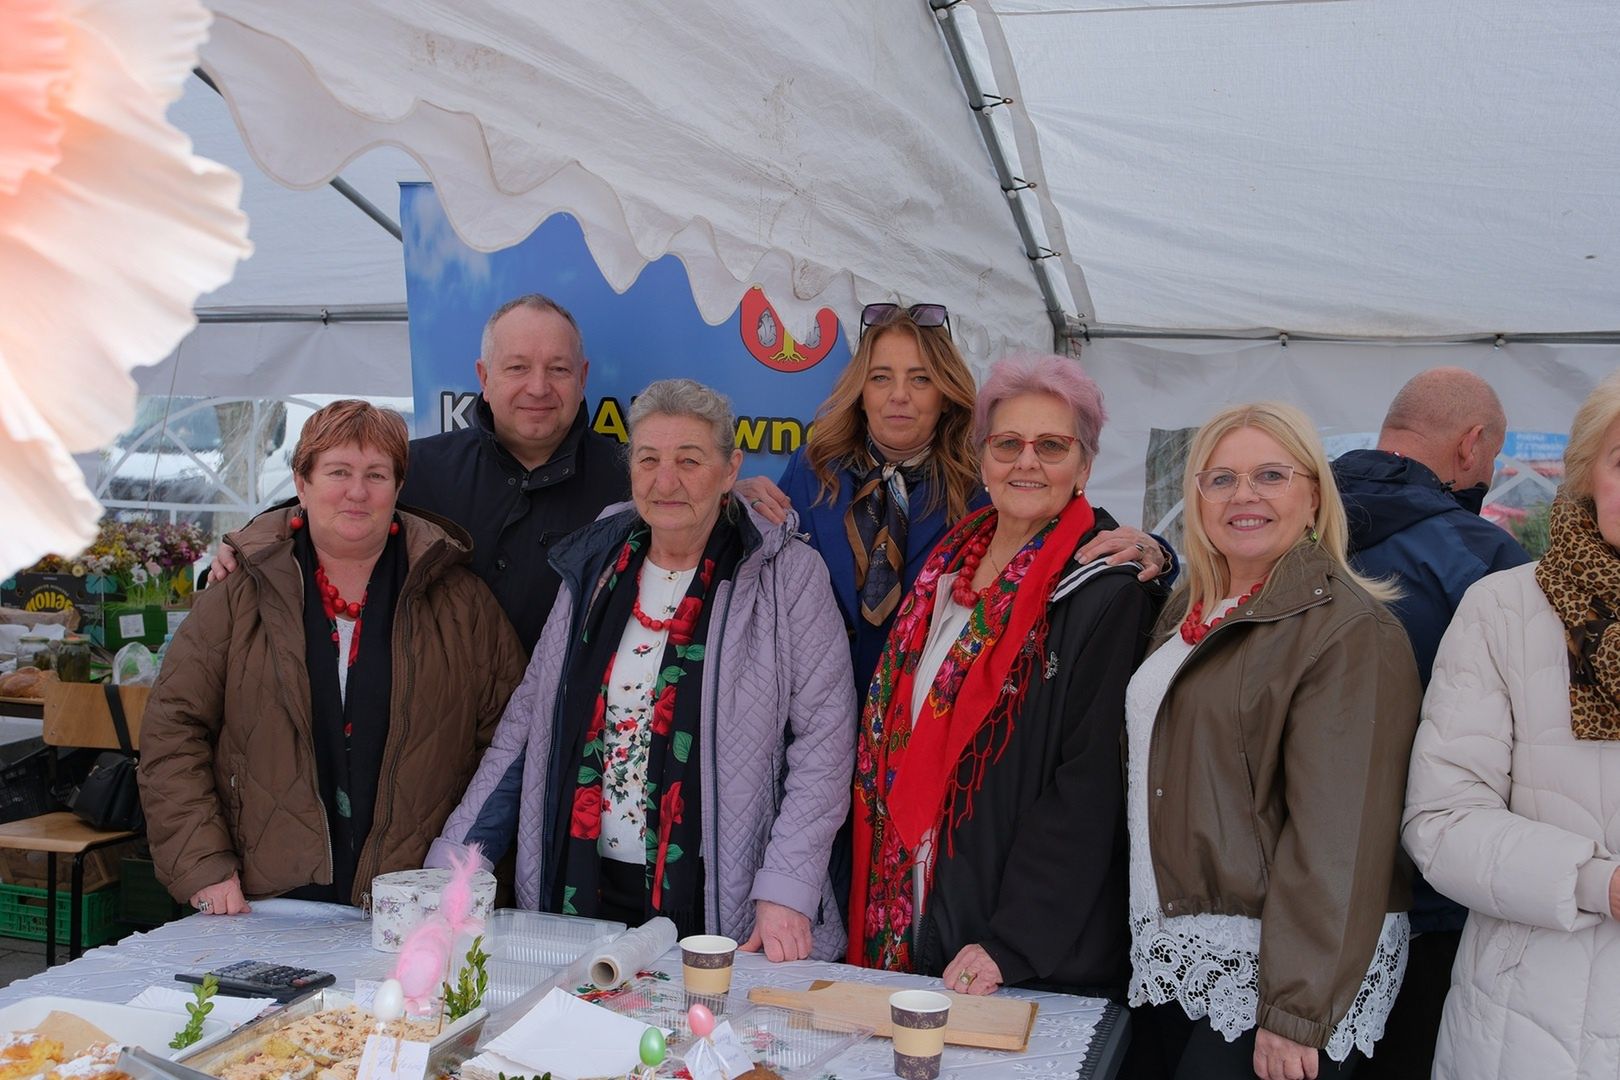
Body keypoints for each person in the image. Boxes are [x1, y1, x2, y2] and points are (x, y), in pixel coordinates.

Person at [432, 379, 854, 960]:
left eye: (690, 460)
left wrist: (787, 887)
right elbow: (526, 728)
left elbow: (825, 746)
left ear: (731, 470)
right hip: (581, 890)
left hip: (722, 904)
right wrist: (454, 864)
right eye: (649, 459)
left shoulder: (788, 576)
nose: (666, 481)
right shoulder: (595, 569)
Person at [847, 352, 1161, 997]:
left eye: (1051, 445)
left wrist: (1011, 940)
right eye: (1008, 443)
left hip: (1009, 944)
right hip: (910, 904)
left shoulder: (1107, 590)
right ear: (982, 456)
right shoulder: (944, 564)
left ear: (1085, 465)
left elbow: (1088, 785)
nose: (1026, 462)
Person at [1125, 401, 1421, 1080]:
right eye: (1220, 478)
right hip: (1183, 953)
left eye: (1270, 475)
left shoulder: (1349, 632)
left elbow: (1339, 840)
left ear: (1314, 495)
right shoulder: (1187, 609)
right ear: (1195, 497)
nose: (1244, 496)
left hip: (1278, 978)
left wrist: (1294, 1012)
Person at [139, 401, 527, 913]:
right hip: (263, 899)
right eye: (338, 471)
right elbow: (172, 730)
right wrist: (205, 866)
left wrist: (462, 876)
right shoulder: (238, 594)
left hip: (416, 902)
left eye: (376, 474)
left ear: (398, 487)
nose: (357, 491)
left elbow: (508, 745)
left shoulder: (463, 602)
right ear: (302, 483)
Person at [737, 302, 1173, 696]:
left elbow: (1066, 526)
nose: (899, 395)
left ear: (945, 395)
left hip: (921, 721)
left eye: (921, 378)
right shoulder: (813, 471)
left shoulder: (984, 484)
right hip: (815, 717)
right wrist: (732, 504)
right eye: (881, 377)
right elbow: (759, 569)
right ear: (861, 392)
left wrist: (1156, 550)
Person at [1402, 372, 1620, 1080]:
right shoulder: (1505, 610)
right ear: (1588, 475)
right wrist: (1599, 883)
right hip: (1533, 1025)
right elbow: (1441, 821)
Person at [210, 294, 630, 652]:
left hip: (572, 732)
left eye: (558, 369)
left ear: (583, 378)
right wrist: (250, 541)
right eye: (517, 368)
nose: (538, 387)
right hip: (443, 732)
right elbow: (328, 505)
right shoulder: (419, 467)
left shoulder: (630, 482)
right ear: (483, 377)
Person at [1331, 367, 1530, 1080]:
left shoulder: (1281, 516)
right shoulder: (1484, 561)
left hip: (1279, 880)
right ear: (1472, 445)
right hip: (1424, 893)